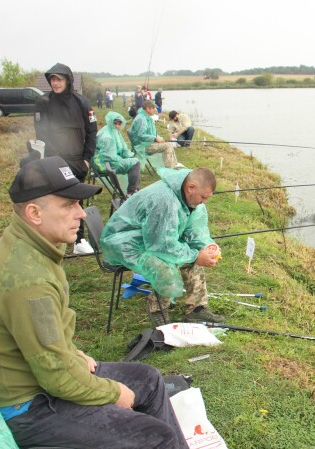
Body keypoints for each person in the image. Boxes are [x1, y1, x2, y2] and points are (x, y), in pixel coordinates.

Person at [0, 157, 242, 449]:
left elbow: (37, 340)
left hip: (37, 379)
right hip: (27, 408)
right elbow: (57, 378)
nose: (81, 213)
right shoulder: (27, 277)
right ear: (34, 212)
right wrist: (111, 393)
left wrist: (71, 352)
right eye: (69, 205)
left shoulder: (31, 250)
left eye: (79, 203)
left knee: (148, 379)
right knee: (157, 438)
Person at [100, 167, 226, 326]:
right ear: (191, 188)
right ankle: (157, 310)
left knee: (193, 256)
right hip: (124, 242)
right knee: (166, 262)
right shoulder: (164, 201)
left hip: (150, 238)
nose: (204, 202)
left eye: (207, 198)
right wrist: (195, 256)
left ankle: (197, 308)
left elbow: (195, 229)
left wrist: (207, 246)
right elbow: (160, 246)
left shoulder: (189, 196)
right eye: (203, 197)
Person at [34, 63, 98, 255]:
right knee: (54, 202)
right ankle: (54, 239)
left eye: (59, 79)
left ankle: (79, 239)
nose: (55, 83)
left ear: (68, 80)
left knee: (75, 202)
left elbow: (92, 131)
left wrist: (87, 159)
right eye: (52, 79)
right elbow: (41, 133)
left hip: (78, 161)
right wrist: (56, 160)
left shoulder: (82, 102)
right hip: (54, 161)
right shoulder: (43, 102)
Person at [93, 112, 141, 196]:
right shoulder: (107, 137)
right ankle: (131, 192)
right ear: (110, 121)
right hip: (104, 164)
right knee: (135, 163)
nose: (117, 126)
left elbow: (123, 148)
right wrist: (124, 160)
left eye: (119, 124)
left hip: (110, 160)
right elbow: (109, 158)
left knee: (134, 161)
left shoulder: (113, 131)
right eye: (115, 123)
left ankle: (134, 189)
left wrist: (130, 156)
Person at [128, 100, 179, 169]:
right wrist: (155, 138)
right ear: (148, 109)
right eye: (153, 108)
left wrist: (159, 138)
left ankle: (174, 165)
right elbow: (141, 135)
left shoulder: (146, 116)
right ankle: (170, 169)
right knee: (167, 146)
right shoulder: (142, 119)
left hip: (146, 143)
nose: (155, 110)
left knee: (168, 143)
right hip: (142, 146)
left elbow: (152, 132)